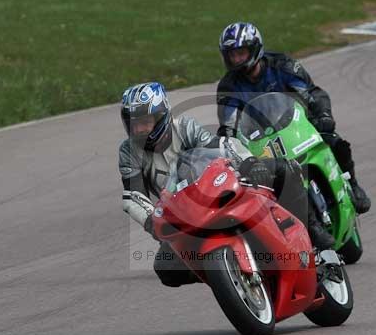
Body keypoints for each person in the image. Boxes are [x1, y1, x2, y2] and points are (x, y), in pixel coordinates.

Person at [118, 81, 337, 287]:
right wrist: (151, 222)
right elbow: (134, 196)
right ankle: (229, 274)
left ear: (161, 116)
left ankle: (314, 236)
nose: (139, 130)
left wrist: (249, 163)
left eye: (145, 123)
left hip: (218, 189)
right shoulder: (128, 152)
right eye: (134, 124)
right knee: (166, 269)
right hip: (182, 216)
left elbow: (220, 146)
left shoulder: (184, 128)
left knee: (284, 169)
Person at [215, 21, 371, 214]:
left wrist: (322, 115)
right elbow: (228, 124)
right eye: (232, 55)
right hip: (262, 141)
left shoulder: (283, 65)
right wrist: (229, 145)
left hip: (298, 125)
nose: (237, 59)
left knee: (335, 141)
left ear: (255, 49)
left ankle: (353, 185)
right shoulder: (228, 86)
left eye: (241, 53)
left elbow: (311, 94)